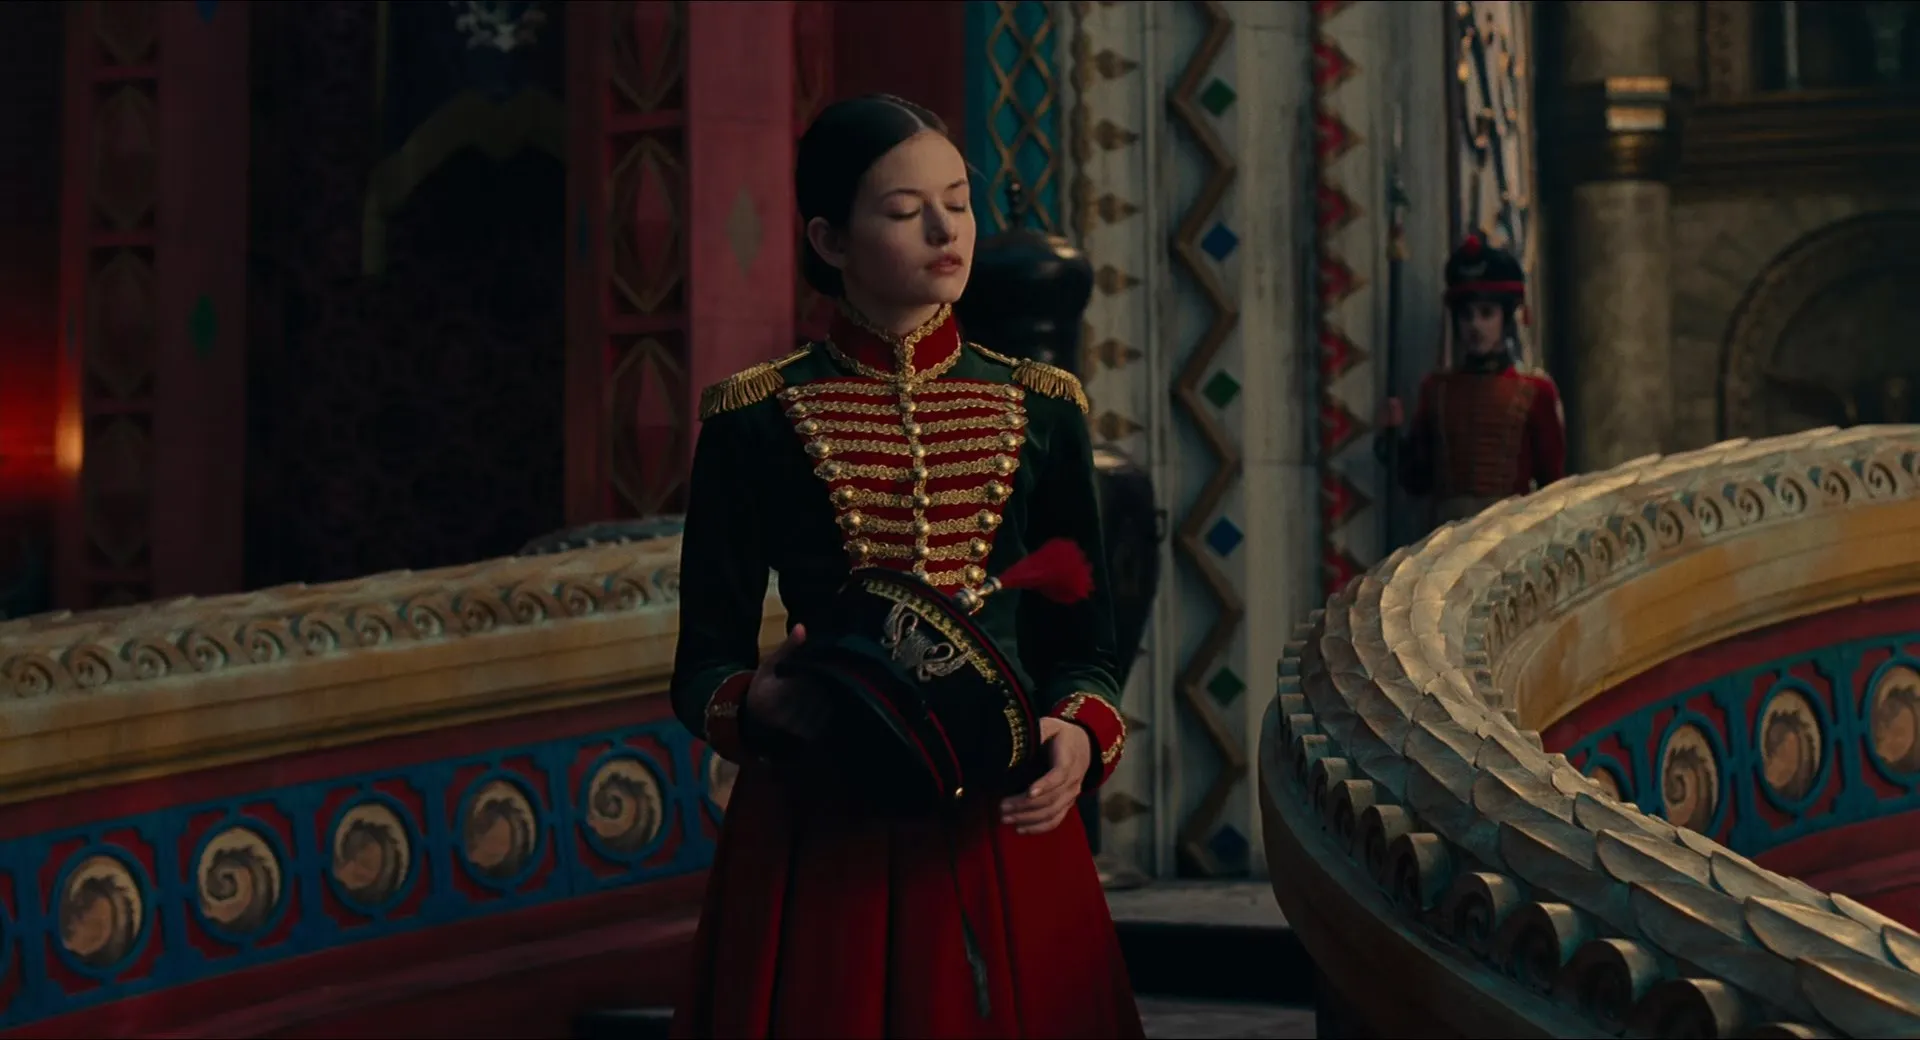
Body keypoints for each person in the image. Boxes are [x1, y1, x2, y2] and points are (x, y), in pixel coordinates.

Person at [668, 94, 1142, 1040]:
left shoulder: (1043, 407)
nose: (945, 231)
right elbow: (703, 663)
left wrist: (1080, 734)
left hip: (999, 822)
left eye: (958, 204)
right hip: (818, 821)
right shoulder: (753, 419)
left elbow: (1085, 649)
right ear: (829, 239)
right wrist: (756, 705)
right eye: (903, 210)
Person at [1379, 234, 1566, 524]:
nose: (1475, 325)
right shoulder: (1436, 390)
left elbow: (1552, 487)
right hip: (1446, 538)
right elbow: (1418, 480)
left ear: (1505, 318)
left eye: (1486, 313)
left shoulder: (1537, 392)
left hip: (1510, 536)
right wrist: (1392, 439)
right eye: (1466, 316)